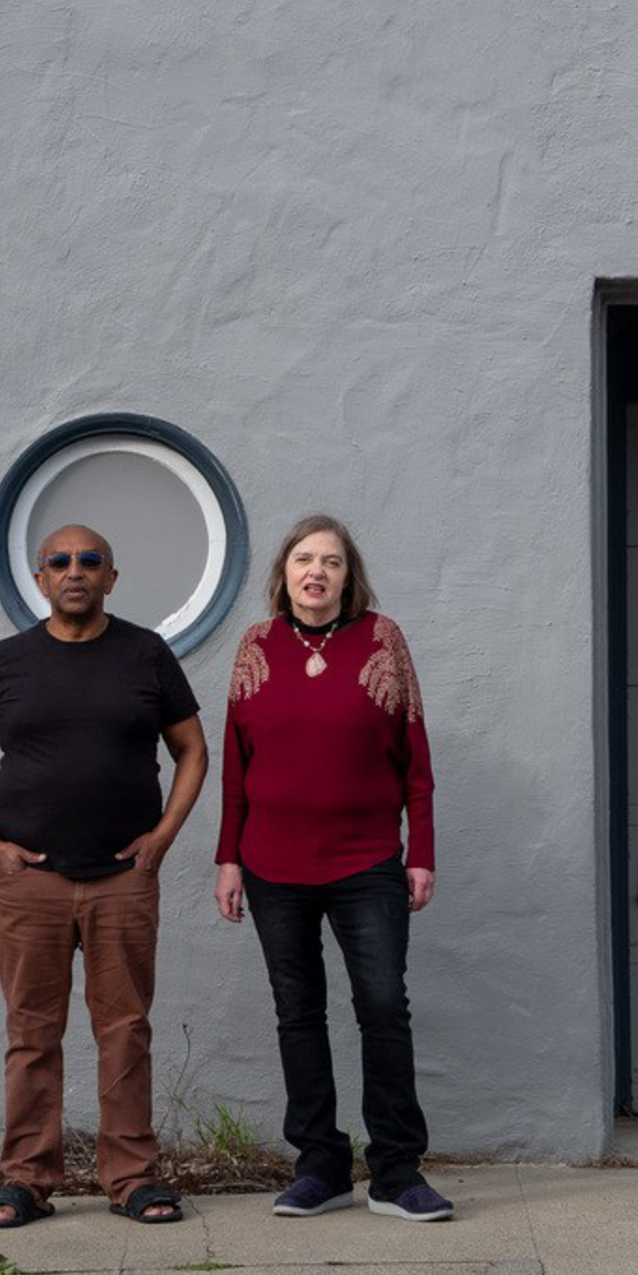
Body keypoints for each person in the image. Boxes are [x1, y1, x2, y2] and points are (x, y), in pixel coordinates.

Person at [0, 523, 207, 1227]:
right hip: (32, 883)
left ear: (112, 577)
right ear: (40, 577)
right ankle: (26, 1180)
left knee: (125, 1030)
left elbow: (193, 751)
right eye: (59, 561)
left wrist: (162, 838)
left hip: (122, 878)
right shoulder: (8, 661)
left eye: (90, 560)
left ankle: (133, 1179)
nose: (75, 570)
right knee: (32, 1032)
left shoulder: (146, 654)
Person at [214, 513, 449, 1221]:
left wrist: (422, 854)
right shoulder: (256, 644)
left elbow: (416, 757)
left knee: (382, 1006)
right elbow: (234, 766)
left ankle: (397, 1171)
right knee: (298, 1013)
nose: (316, 571)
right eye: (304, 560)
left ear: (350, 576)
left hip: (367, 860)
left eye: (332, 561)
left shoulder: (383, 640)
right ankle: (319, 1165)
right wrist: (228, 857)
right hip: (271, 865)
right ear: (284, 574)